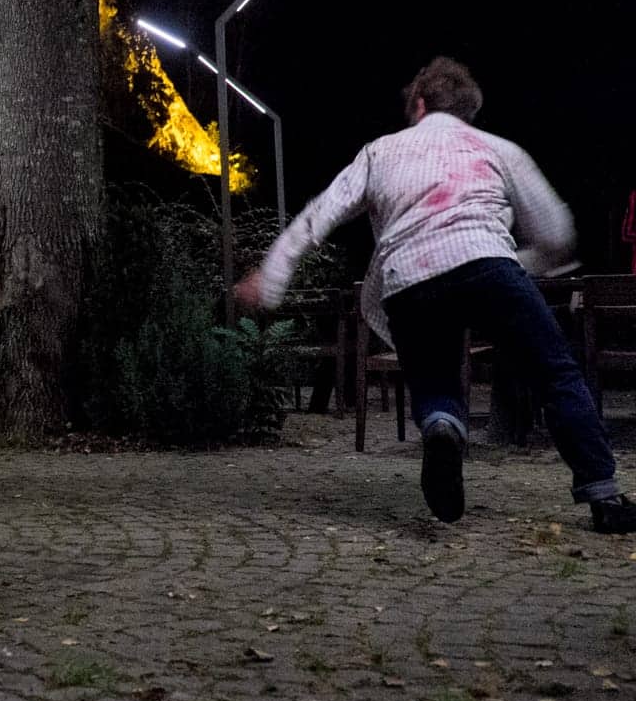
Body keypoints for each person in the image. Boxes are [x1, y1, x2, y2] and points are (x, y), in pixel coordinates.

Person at [235, 57, 636, 533]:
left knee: (436, 380)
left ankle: (443, 426)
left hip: (410, 281)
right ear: (467, 110)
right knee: (556, 374)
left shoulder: (380, 150)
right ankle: (604, 498)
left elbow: (320, 214)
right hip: (486, 262)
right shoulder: (495, 148)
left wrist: (271, 277)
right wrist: (512, 262)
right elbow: (555, 232)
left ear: (419, 104)